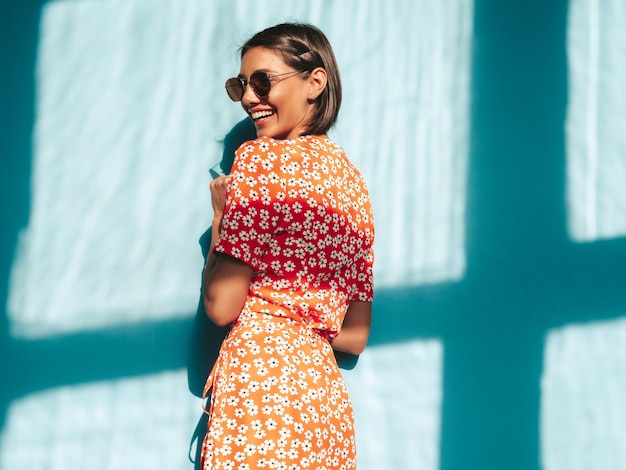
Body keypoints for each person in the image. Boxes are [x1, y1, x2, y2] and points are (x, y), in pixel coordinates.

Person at [200, 22, 375, 469]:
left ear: (315, 81)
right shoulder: (353, 186)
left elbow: (221, 306)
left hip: (262, 389)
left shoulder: (260, 161)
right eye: (240, 85)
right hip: (323, 403)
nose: (247, 97)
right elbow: (354, 336)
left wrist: (222, 219)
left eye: (263, 81)